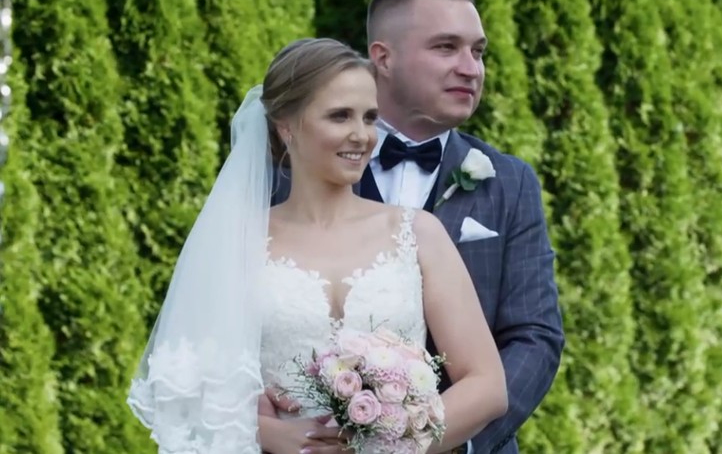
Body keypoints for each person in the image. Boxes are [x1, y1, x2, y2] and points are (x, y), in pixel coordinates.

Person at [127, 37, 508, 454]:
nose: (362, 135)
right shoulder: (237, 244)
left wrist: (388, 444)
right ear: (285, 125)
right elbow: (183, 394)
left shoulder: (419, 233)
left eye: (370, 117)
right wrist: (272, 435)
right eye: (340, 116)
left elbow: (487, 385)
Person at [267, 0, 565, 454]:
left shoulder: (509, 183)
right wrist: (268, 426)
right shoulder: (284, 173)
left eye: (478, 51)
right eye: (446, 47)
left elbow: (534, 336)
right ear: (383, 58)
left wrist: (444, 440)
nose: (471, 68)